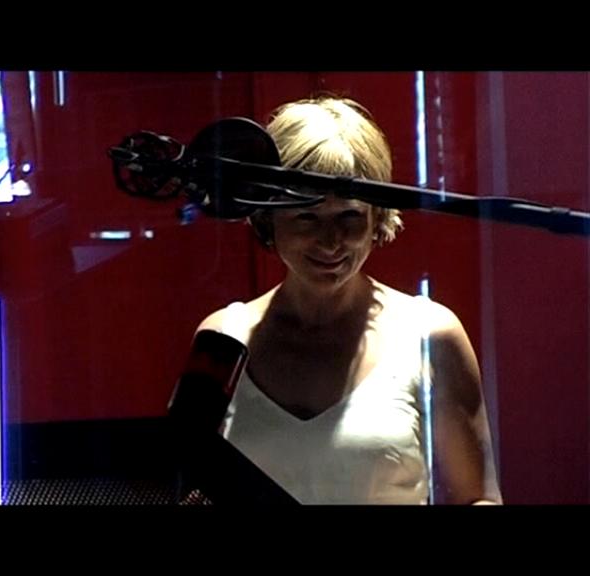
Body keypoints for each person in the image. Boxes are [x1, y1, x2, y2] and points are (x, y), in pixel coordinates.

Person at [194, 95, 502, 505]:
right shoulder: (223, 338)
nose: (330, 241)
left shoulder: (429, 335)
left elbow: (479, 499)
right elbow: (184, 485)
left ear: (376, 217)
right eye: (306, 216)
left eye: (349, 216)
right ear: (268, 218)